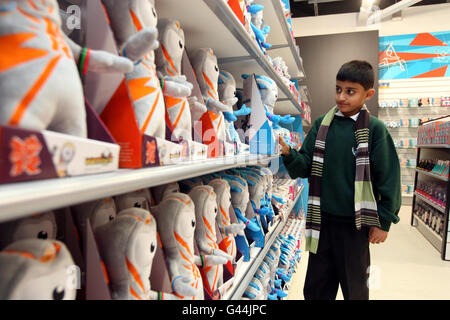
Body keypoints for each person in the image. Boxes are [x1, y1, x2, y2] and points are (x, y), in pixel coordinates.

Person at [279, 60, 401, 300]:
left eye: (350, 91)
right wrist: (289, 154)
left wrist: (384, 221)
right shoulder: (321, 125)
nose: (341, 97)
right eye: (338, 89)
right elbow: (306, 166)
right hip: (321, 222)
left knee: (355, 286)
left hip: (355, 227)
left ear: (368, 94)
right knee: (316, 287)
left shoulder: (375, 130)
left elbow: (389, 178)